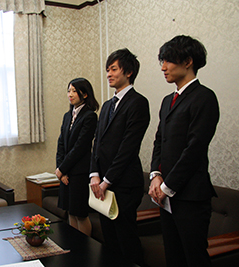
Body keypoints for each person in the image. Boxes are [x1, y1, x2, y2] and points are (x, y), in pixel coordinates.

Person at [149, 35, 219, 267]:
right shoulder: (168, 99)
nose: (163, 67)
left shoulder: (204, 97)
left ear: (188, 61)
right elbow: (160, 140)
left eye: (168, 61)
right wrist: (155, 175)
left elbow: (195, 149)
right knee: (173, 256)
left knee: (194, 258)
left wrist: (167, 187)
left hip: (190, 196)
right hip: (166, 197)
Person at [90, 49, 150, 266]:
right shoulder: (106, 106)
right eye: (107, 70)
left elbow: (128, 148)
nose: (108, 74)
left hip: (124, 185)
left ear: (129, 72)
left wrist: (107, 181)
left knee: (126, 239)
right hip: (103, 185)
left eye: (113, 69)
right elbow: (97, 143)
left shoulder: (138, 103)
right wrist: (94, 174)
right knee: (110, 240)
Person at [56, 78, 99, 236]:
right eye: (69, 90)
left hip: (80, 172)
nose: (70, 94)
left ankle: (85, 249)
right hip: (66, 173)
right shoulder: (68, 116)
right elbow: (61, 143)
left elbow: (80, 147)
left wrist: (63, 168)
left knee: (80, 214)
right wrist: (61, 170)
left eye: (74, 91)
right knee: (70, 213)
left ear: (85, 94)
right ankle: (74, 246)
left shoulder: (90, 117)